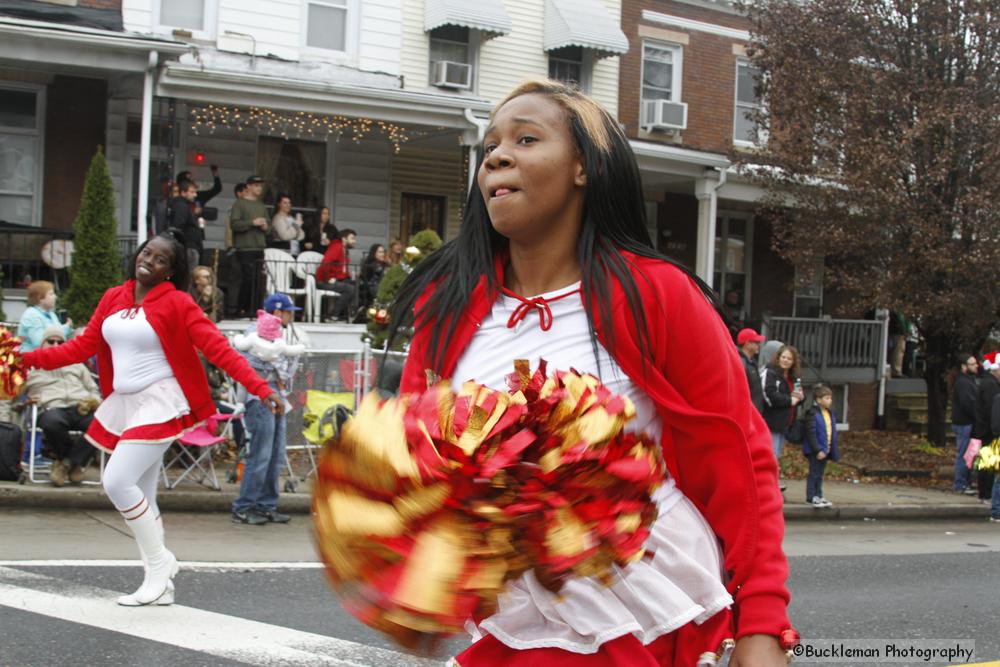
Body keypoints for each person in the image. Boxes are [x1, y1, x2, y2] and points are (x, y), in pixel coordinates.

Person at [388, 80, 793, 666]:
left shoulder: (657, 294)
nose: (497, 155)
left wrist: (761, 625)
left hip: (649, 628)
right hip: (513, 634)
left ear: (584, 167)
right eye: (491, 145)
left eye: (526, 139)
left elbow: (740, 463)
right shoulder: (447, 310)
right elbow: (417, 464)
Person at [18, 231, 282, 607]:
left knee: (116, 481)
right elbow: (81, 348)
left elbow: (218, 350)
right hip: (124, 403)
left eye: (160, 259)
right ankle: (160, 585)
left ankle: (160, 564)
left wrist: (261, 388)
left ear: (171, 271)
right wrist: (21, 359)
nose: (148, 260)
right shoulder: (114, 296)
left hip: (160, 401)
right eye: (146, 252)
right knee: (143, 495)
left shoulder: (179, 304)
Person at [231, 293, 303, 525]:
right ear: (278, 312)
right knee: (261, 454)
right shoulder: (254, 332)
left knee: (275, 454)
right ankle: (245, 506)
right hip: (259, 397)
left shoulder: (277, 334)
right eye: (289, 311)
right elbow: (247, 364)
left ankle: (265, 505)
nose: (292, 316)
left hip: (276, 395)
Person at [24, 325, 100, 487]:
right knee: (53, 422)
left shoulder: (76, 364)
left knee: (101, 424)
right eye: (51, 341)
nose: (55, 346)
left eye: (60, 342)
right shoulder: (32, 367)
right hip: (52, 407)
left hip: (80, 406)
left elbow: (93, 388)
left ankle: (64, 464)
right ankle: (74, 464)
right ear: (42, 344)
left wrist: (93, 400)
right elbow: (13, 393)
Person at [230, 175, 270, 317]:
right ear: (248, 187)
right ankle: (242, 309)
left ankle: (255, 310)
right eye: (256, 185)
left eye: (260, 186)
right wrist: (252, 223)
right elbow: (234, 224)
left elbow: (269, 228)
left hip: (259, 247)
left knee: (258, 280)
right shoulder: (239, 204)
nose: (259, 188)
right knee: (247, 279)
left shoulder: (261, 205)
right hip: (245, 248)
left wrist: (265, 227)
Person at [762, 345, 804, 460]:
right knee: (771, 457)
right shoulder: (770, 373)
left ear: (793, 362)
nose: (785, 360)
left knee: (777, 456)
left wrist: (800, 398)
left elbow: (796, 397)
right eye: (783, 357)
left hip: (786, 423)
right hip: (772, 423)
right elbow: (769, 396)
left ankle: (773, 478)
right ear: (778, 357)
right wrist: (790, 400)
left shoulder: (794, 377)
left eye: (789, 359)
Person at [969, 352, 1000, 505]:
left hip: (986, 429)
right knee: (987, 464)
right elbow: (991, 409)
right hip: (988, 431)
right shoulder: (991, 385)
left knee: (987, 464)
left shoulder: (990, 383)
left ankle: (986, 493)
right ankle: (985, 494)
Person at [802, 384, 838, 508]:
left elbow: (830, 432)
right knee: (814, 472)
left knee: (820, 473)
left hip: (825, 448)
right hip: (816, 450)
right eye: (827, 398)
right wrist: (817, 450)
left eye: (830, 398)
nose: (830, 401)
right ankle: (811, 496)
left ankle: (819, 494)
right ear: (818, 400)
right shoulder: (812, 413)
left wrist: (829, 449)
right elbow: (811, 433)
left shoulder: (829, 413)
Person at [316, 226, 358, 322]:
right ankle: (332, 315)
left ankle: (352, 312)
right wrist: (328, 278)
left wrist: (348, 275)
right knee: (349, 289)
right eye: (352, 238)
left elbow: (340, 269)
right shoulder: (337, 247)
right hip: (324, 280)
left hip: (334, 279)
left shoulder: (344, 250)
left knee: (355, 283)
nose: (354, 241)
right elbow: (326, 263)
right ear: (344, 239)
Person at [17, 281, 73, 353]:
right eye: (51, 294)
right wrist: (66, 328)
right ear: (40, 298)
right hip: (32, 359)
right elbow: (39, 341)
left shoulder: (51, 314)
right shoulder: (31, 315)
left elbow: (57, 336)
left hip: (49, 356)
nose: (55, 297)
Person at [951, 353, 978, 494]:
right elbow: (968, 403)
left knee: (969, 454)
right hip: (964, 423)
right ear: (964, 366)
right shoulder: (963, 382)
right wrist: (977, 416)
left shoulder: (969, 380)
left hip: (966, 422)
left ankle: (965, 482)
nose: (976, 366)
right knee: (964, 454)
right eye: (972, 364)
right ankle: (960, 484)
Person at [169, 180, 204, 269]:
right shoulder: (181, 205)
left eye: (195, 192)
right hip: (187, 247)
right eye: (192, 192)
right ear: (183, 192)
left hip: (189, 247)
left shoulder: (184, 205)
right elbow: (178, 225)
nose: (195, 195)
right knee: (188, 277)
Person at [737, 328, 766, 415]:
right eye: (756, 342)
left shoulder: (750, 362)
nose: (759, 345)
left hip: (752, 412)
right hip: (745, 412)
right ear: (747, 343)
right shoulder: (740, 362)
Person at [358, 243, 388, 310]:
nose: (382, 254)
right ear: (374, 253)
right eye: (380, 252)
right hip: (372, 289)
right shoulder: (371, 265)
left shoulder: (383, 264)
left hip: (382, 288)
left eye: (383, 252)